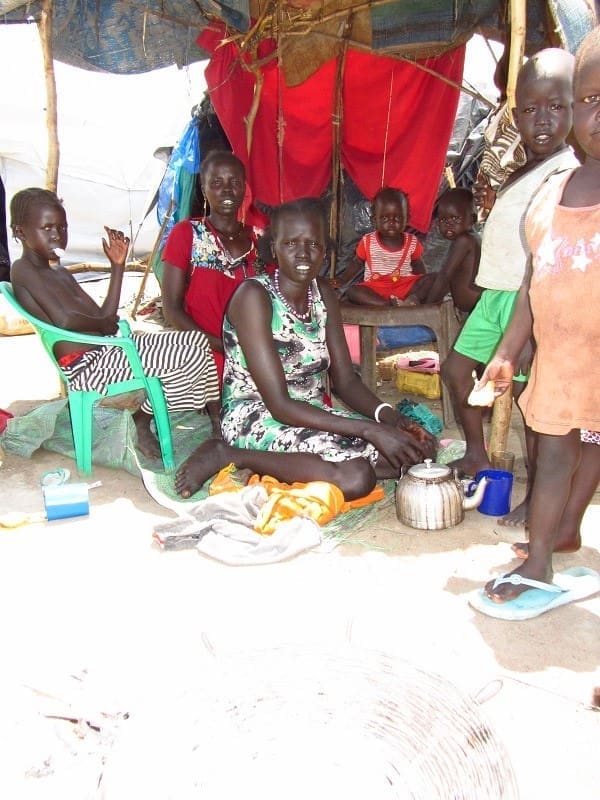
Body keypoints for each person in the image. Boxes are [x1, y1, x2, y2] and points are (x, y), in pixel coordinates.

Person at [175, 197, 436, 500]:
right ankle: (229, 454)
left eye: (313, 244)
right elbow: (279, 404)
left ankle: (296, 466)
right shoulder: (254, 297)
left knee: (417, 453)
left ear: (324, 251)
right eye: (291, 244)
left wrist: (390, 418)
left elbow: (346, 381)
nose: (303, 254)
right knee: (356, 477)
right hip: (257, 415)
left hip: (313, 414)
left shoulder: (323, 292)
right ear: (273, 248)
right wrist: (369, 430)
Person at [473, 27, 600, 611]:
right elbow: (533, 282)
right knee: (553, 452)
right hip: (564, 359)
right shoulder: (553, 191)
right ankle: (542, 554)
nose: (597, 114)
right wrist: (506, 352)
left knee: (592, 444)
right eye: (591, 100)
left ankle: (567, 526)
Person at [440, 47, 580, 527]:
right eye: (530, 108)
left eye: (556, 106)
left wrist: (525, 334)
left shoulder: (567, 172)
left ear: (576, 106)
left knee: (535, 406)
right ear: (515, 113)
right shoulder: (521, 165)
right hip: (496, 295)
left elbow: (550, 256)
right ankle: (478, 452)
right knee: (457, 369)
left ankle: (539, 495)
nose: (542, 119)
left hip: (531, 300)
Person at [9, 188, 220, 460]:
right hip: (87, 365)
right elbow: (65, 320)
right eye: (46, 227)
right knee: (188, 357)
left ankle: (216, 423)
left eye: (62, 227)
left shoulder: (57, 270)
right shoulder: (24, 269)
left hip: (107, 350)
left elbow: (103, 313)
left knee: (198, 341)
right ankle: (142, 420)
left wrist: (117, 266)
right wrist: (104, 323)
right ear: (20, 232)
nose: (57, 234)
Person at [161, 150, 269, 383]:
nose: (227, 190)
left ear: (244, 188)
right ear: (204, 189)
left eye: (235, 182)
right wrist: (223, 346)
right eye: (217, 182)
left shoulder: (259, 241)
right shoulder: (187, 235)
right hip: (206, 353)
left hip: (255, 354)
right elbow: (171, 309)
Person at [335, 187, 433, 306]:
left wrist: (422, 282)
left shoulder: (412, 242)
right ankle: (388, 304)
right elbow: (356, 263)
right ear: (374, 220)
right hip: (375, 289)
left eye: (397, 218)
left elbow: (418, 264)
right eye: (385, 218)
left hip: (404, 287)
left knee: (433, 279)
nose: (391, 222)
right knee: (353, 291)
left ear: (407, 219)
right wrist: (342, 280)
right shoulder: (367, 242)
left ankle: (411, 300)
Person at [421, 188, 482, 312]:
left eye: (455, 219)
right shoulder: (472, 237)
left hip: (471, 301)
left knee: (439, 279)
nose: (448, 224)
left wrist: (426, 307)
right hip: (474, 298)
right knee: (431, 278)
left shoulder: (464, 240)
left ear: (472, 219)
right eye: (443, 220)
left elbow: (445, 275)